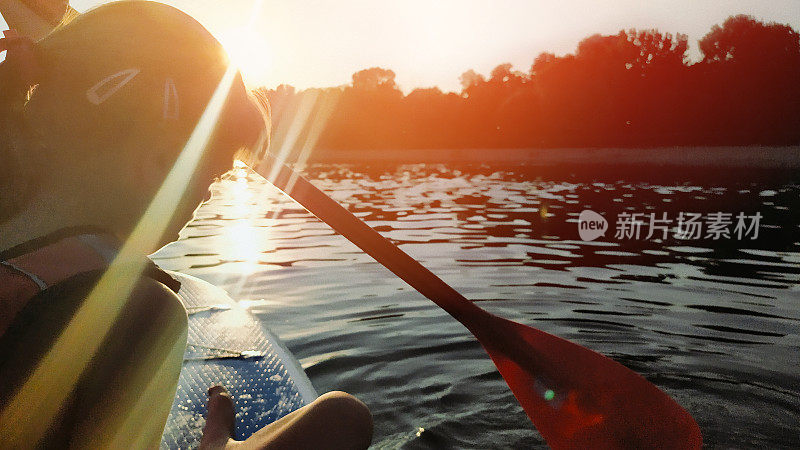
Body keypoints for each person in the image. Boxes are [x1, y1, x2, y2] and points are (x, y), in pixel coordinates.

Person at [0, 1, 372, 448]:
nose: (209, 195)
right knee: (342, 418)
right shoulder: (137, 315)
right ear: (156, 164)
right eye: (212, 176)